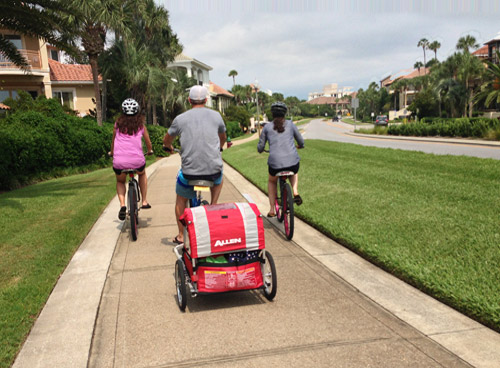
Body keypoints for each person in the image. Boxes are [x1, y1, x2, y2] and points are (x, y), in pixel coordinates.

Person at [163, 85, 227, 244]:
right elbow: (223, 137)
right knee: (219, 176)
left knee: (180, 200)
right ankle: (213, 205)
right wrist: (219, 147)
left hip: (189, 174)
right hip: (212, 172)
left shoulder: (180, 119)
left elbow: (167, 139)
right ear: (206, 100)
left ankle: (180, 235)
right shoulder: (216, 116)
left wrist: (168, 147)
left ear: (189, 100)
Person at [257, 101, 304, 217]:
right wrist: (300, 146)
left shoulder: (267, 127)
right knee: (294, 171)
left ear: (272, 114)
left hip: (275, 164)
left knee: (272, 181)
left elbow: (260, 147)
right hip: (292, 162)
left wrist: (261, 149)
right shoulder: (291, 124)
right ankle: (295, 191)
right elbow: (301, 141)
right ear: (285, 113)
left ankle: (272, 209)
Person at [110, 98, 153, 221]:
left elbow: (113, 141)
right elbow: (147, 142)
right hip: (137, 161)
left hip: (119, 162)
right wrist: (150, 150)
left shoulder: (117, 125)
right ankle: (144, 201)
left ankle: (123, 205)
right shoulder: (140, 126)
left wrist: (112, 152)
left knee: (120, 181)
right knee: (142, 173)